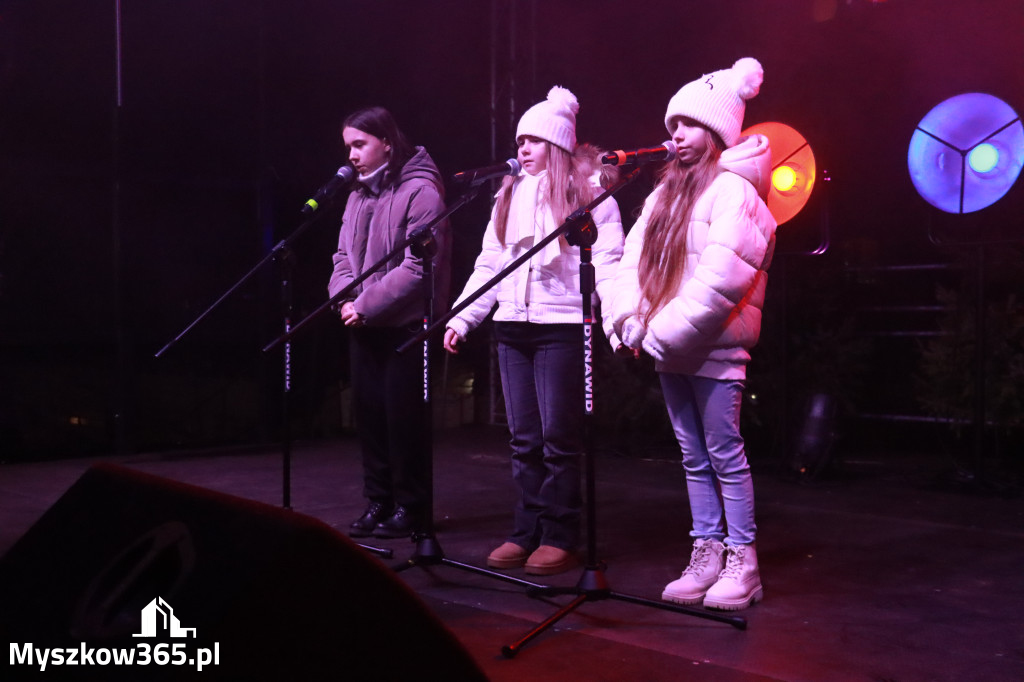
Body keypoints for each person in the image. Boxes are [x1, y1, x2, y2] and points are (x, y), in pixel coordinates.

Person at [608, 58, 776, 610]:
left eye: (686, 124)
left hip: (714, 347)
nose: (673, 134)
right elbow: (628, 265)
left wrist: (661, 333)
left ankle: (742, 560)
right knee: (692, 455)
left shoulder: (735, 193)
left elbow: (721, 282)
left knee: (724, 452)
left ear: (716, 131)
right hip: (670, 345)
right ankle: (706, 550)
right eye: (671, 124)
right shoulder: (663, 196)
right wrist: (630, 321)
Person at [443, 87, 623, 576]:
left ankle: (561, 535)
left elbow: (608, 262)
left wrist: (618, 320)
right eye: (519, 139)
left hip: (560, 326)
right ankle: (526, 530)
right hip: (512, 326)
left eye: (534, 140)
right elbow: (491, 264)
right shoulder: (509, 194)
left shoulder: (590, 193)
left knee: (558, 438)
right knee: (523, 439)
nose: (522, 149)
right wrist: (463, 316)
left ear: (558, 145)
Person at [328, 106, 450, 539]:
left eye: (360, 144)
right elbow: (342, 256)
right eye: (348, 147)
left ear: (386, 142)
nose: (352, 156)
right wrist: (345, 299)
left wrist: (365, 305)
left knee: (403, 422)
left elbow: (419, 268)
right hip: (364, 324)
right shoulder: (357, 195)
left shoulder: (422, 192)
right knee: (371, 418)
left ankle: (411, 507)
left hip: (405, 326)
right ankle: (378, 501)